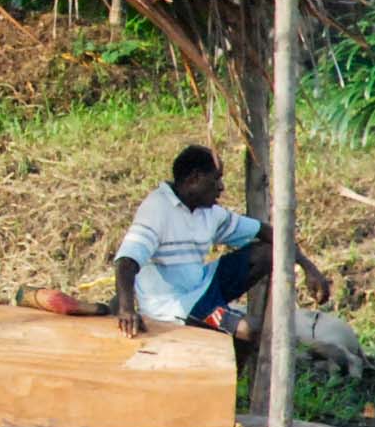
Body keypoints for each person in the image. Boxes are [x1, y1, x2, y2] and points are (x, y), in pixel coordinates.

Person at [112, 144, 330, 347]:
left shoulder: (208, 212)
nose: (221, 187)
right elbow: (126, 262)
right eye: (215, 180)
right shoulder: (157, 209)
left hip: (202, 286)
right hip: (173, 306)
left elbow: (266, 232)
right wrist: (127, 309)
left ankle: (229, 365)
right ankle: (229, 375)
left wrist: (308, 267)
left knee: (267, 252)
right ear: (194, 179)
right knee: (248, 331)